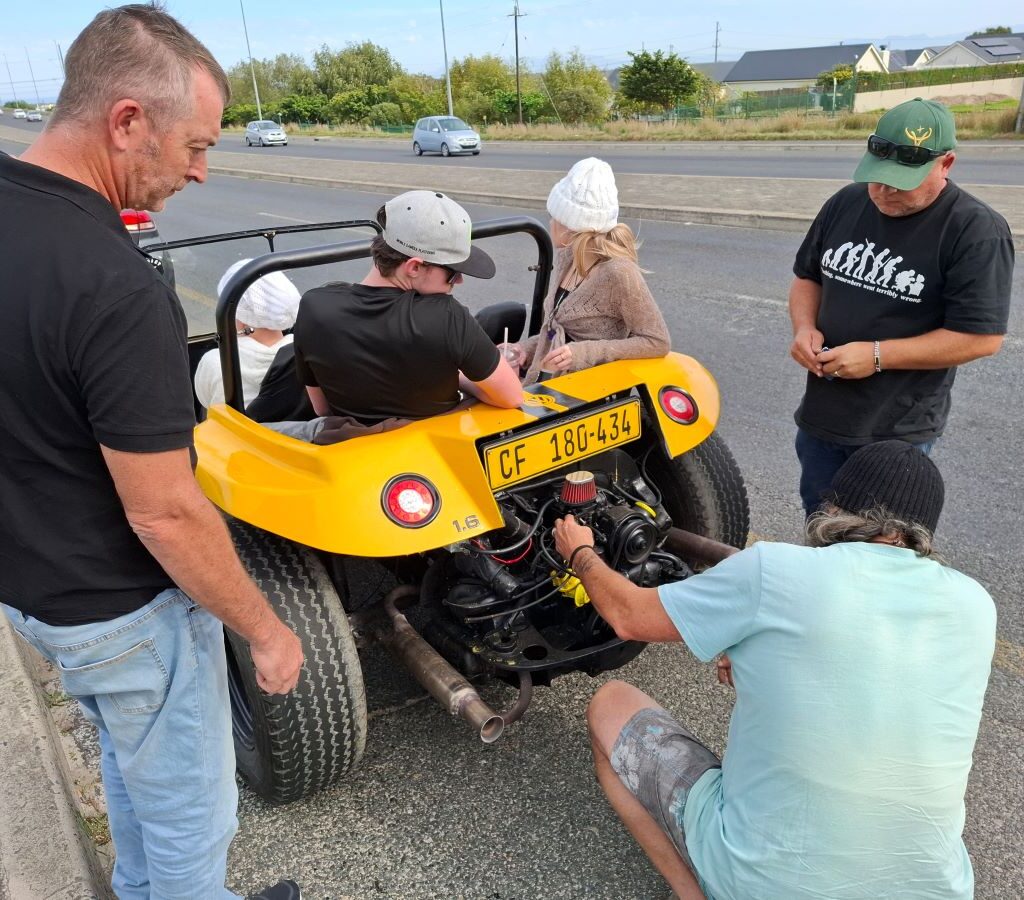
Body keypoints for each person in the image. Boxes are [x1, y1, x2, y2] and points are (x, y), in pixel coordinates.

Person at [0, 7, 303, 900]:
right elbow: (164, 509)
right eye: (194, 146)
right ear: (126, 120)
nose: (202, 171)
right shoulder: (117, 288)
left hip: (32, 590)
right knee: (188, 826)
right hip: (127, 614)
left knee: (134, 781)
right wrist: (266, 629)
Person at [553, 441, 994, 900]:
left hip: (770, 886)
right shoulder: (976, 605)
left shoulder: (776, 569)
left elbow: (628, 616)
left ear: (836, 509)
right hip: (935, 890)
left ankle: (698, 892)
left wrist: (580, 552)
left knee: (611, 704)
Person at [789, 97, 1013, 515]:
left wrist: (877, 356)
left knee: (878, 540)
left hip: (894, 427)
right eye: (876, 178)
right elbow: (808, 277)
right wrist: (803, 328)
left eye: (901, 181)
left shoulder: (976, 231)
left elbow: (981, 337)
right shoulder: (846, 202)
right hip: (823, 413)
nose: (884, 191)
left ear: (946, 164)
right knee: (819, 519)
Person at [283, 190, 522, 441]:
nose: (459, 280)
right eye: (452, 272)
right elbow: (512, 396)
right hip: (435, 455)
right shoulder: (447, 317)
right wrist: (460, 378)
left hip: (351, 455)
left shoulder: (314, 306)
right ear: (414, 267)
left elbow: (322, 408)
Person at [503, 157, 670, 385]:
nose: (550, 222)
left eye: (555, 216)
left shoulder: (619, 272)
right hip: (550, 383)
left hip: (589, 396)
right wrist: (525, 349)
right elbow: (558, 329)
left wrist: (584, 353)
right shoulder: (566, 257)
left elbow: (657, 341)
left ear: (571, 226)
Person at [194, 259, 302, 409]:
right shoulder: (306, 353)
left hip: (232, 431)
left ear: (239, 315)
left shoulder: (217, 362)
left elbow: (205, 401)